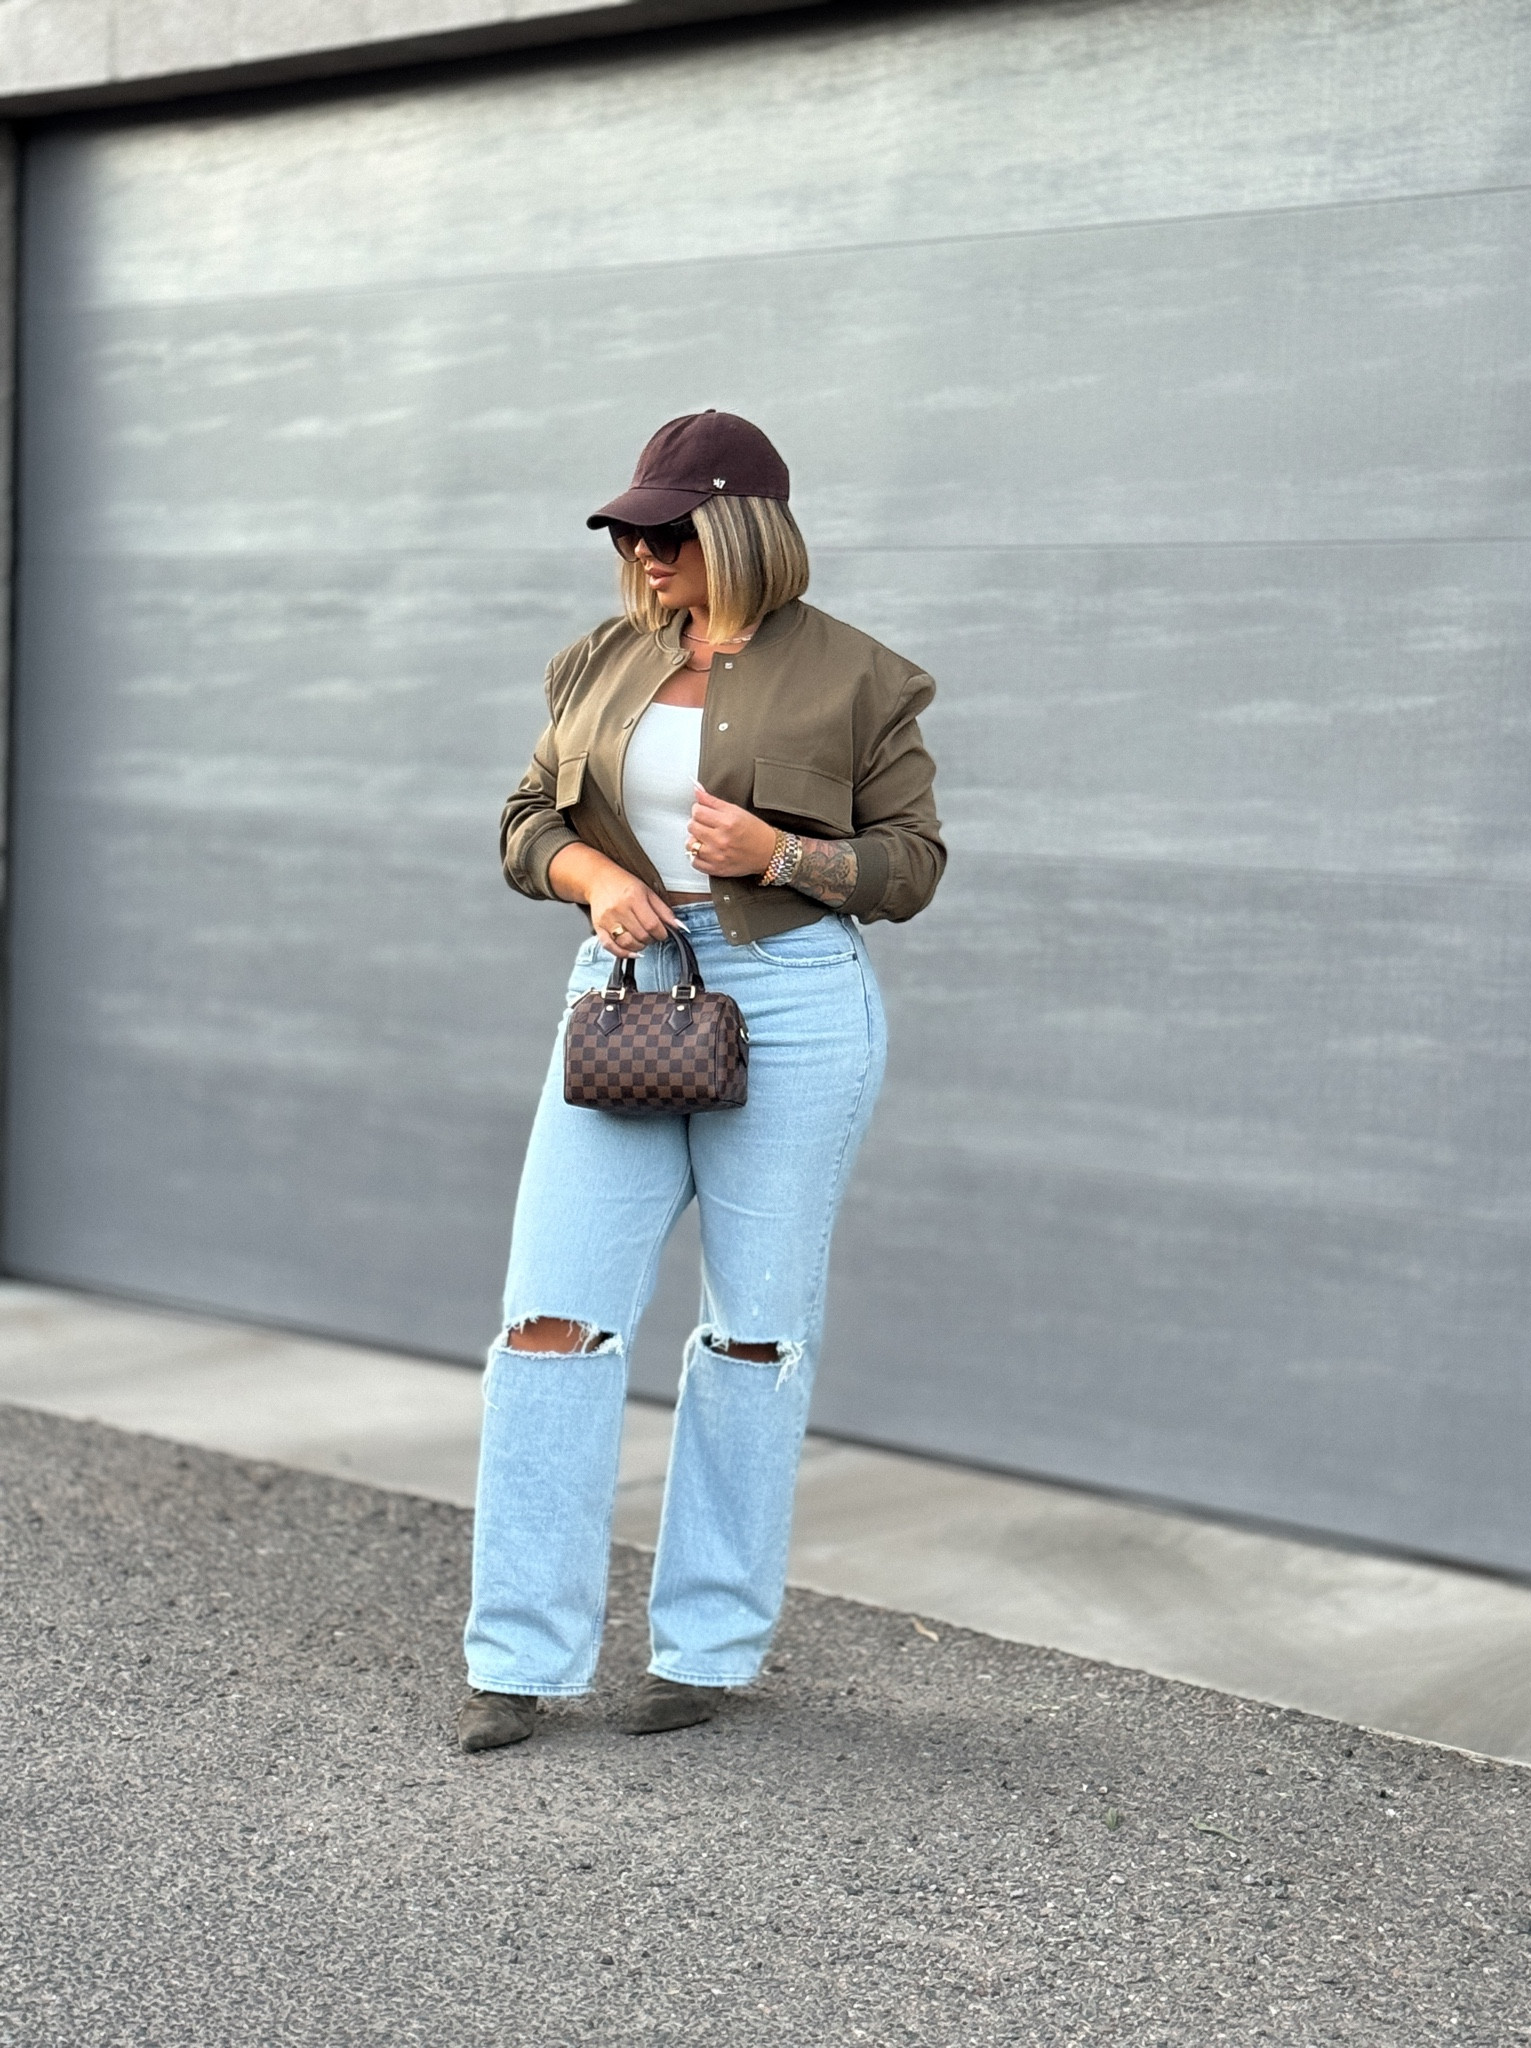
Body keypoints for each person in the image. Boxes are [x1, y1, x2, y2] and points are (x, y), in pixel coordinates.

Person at [459, 410, 944, 1750]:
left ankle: (711, 1646)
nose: (642, 551)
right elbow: (526, 821)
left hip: (791, 1007)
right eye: (630, 530)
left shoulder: (862, 678)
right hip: (622, 997)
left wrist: (784, 855)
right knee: (549, 1320)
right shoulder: (599, 662)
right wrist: (602, 876)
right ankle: (518, 1656)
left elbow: (911, 867)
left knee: (753, 1334)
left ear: (737, 528)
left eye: (666, 530)